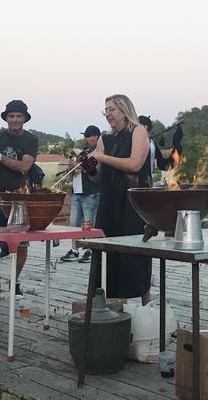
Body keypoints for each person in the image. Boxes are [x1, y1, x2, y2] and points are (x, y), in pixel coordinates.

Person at [87, 94, 153, 303]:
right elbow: (98, 177)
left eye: (112, 109)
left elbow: (134, 164)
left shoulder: (138, 131)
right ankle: (109, 305)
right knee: (107, 253)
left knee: (134, 255)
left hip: (133, 202)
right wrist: (88, 167)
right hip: (109, 201)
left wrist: (101, 157)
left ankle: (144, 308)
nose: (108, 114)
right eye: (105, 110)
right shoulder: (104, 138)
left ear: (124, 111)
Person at [0, 100, 39, 298]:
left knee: (21, 244)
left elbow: (24, 167)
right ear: (6, 118)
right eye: (11, 116)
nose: (14, 120)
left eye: (18, 116)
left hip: (19, 199)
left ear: (24, 119)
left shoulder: (31, 140)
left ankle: (14, 283)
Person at [60, 125, 101, 263]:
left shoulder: (98, 152)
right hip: (77, 191)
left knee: (89, 223)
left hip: (90, 192)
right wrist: (71, 166)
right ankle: (75, 249)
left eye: (88, 135)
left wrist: (81, 169)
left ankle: (90, 249)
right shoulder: (84, 151)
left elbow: (97, 170)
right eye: (85, 135)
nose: (85, 138)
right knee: (74, 223)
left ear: (96, 136)